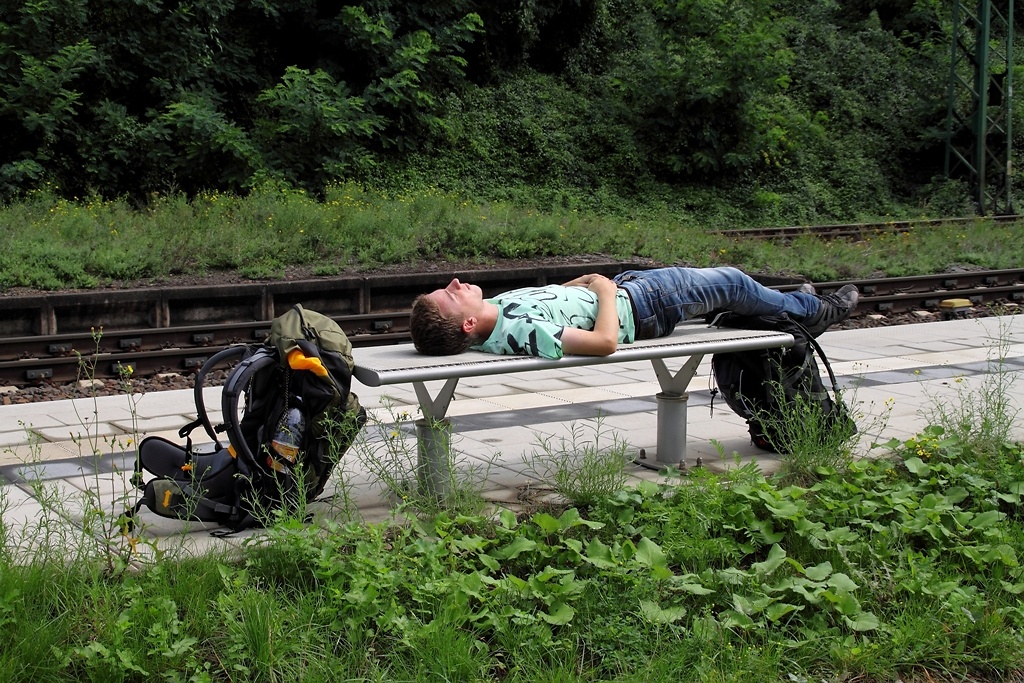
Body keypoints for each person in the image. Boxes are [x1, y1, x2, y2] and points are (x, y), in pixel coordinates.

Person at [410, 266, 859, 360]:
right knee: (735, 284)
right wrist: (605, 293)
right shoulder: (519, 334)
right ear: (467, 324)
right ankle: (815, 310)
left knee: (731, 291)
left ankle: (790, 303)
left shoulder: (495, 316)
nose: (454, 283)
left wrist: (586, 284)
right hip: (644, 303)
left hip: (631, 292)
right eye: (450, 295)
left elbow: (550, 297)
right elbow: (604, 344)